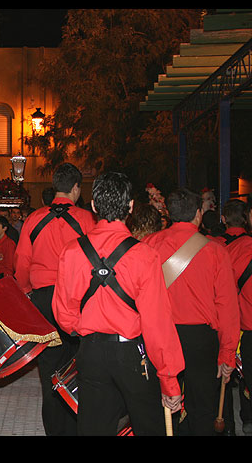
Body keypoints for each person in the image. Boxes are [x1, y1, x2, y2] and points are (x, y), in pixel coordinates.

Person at [52, 171, 185, 435]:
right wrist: (170, 380)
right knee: (148, 425)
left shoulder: (72, 251)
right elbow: (157, 324)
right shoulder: (145, 255)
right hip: (132, 354)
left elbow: (63, 313)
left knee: (93, 427)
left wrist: (86, 330)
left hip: (91, 352)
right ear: (131, 206)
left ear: (93, 206)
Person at [143, 188, 240, 436]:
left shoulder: (149, 245)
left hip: (161, 336)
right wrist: (227, 353)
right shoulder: (216, 251)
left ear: (169, 213)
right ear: (198, 214)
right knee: (203, 410)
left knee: (162, 404)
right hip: (201, 340)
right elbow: (227, 307)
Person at [13, 162, 97, 436]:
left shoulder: (34, 218)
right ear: (75, 188)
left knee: (49, 371)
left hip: (43, 299)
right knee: (76, 369)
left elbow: (22, 262)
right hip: (76, 299)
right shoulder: (86, 219)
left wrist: (27, 292)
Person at [213, 198, 252, 435]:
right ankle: (247, 418)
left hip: (225, 324)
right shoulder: (249, 246)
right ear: (246, 219)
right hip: (246, 323)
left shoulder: (214, 246)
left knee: (226, 377)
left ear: (224, 219)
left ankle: (230, 421)